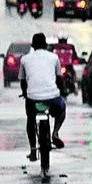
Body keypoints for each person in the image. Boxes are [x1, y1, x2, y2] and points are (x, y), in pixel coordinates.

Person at [19, 32, 67, 161]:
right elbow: (59, 79)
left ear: (33, 46)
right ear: (46, 45)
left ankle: (33, 150)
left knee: (30, 119)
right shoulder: (54, 58)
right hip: (52, 98)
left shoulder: (24, 59)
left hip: (32, 99)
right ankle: (55, 133)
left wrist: (25, 93)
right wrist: (62, 93)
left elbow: (23, 81)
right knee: (62, 109)